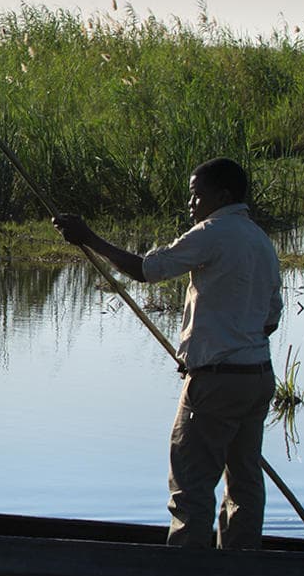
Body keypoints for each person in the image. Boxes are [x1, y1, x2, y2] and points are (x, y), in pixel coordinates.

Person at [53, 157, 282, 550]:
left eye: (197, 195)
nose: (191, 204)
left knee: (190, 484)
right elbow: (270, 320)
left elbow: (146, 270)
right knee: (244, 483)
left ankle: (185, 573)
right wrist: (211, 348)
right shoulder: (260, 241)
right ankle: (241, 567)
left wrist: (88, 237)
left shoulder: (212, 232)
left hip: (217, 382)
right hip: (257, 378)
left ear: (222, 196)